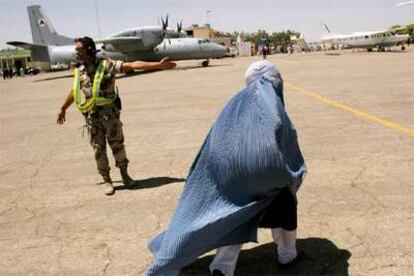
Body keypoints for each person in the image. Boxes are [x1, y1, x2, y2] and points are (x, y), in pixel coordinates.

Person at [145, 60, 306, 276]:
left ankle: (222, 267)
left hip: (233, 179)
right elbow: (281, 142)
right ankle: (287, 255)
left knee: (230, 218)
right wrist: (289, 175)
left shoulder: (234, 106)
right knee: (285, 205)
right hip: (269, 178)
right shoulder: (273, 104)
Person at [57, 36, 176, 195]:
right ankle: (107, 180)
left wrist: (159, 65)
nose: (76, 52)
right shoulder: (80, 71)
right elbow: (74, 91)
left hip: (110, 115)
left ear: (89, 49)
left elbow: (133, 65)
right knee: (98, 149)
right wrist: (64, 108)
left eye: (79, 49)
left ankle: (125, 175)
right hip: (92, 117)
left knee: (117, 145)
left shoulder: (107, 65)